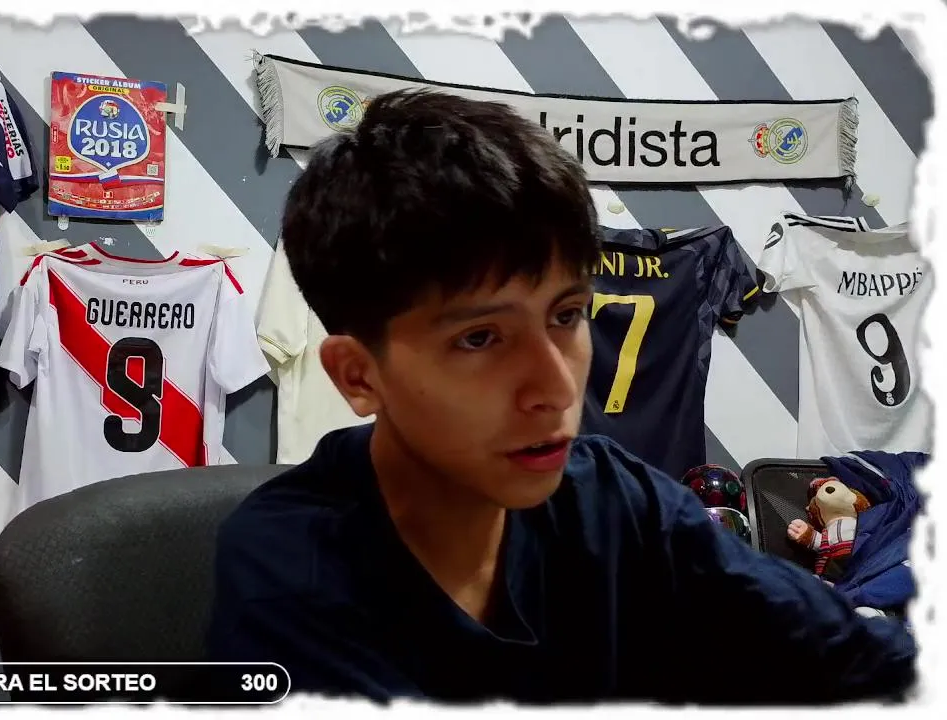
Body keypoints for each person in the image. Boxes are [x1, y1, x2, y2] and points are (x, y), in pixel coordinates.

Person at [204, 89, 918, 704]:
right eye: (480, 338)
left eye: (568, 315)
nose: (556, 386)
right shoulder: (286, 573)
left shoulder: (615, 498)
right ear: (358, 377)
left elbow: (846, 651)